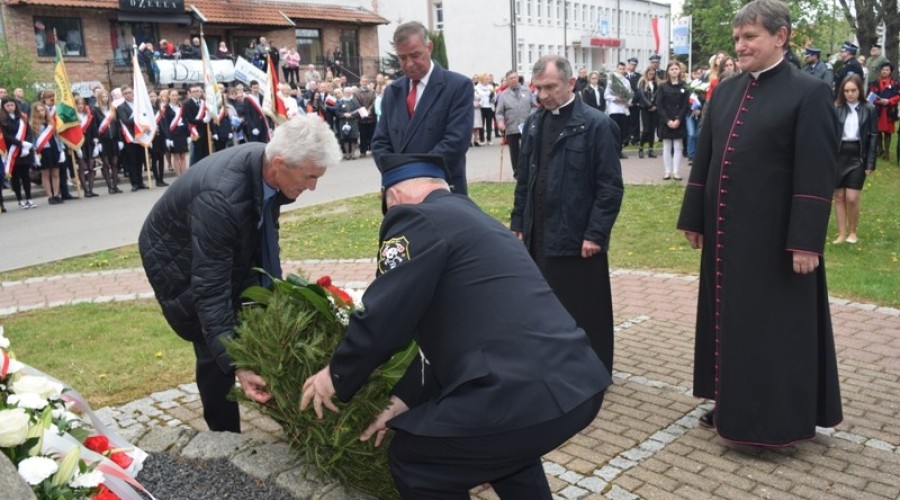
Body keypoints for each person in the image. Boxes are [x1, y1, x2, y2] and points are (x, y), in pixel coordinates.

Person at [298, 152, 611, 498]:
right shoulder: (478, 221)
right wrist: (403, 398)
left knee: (416, 460)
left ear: (394, 197)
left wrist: (336, 375)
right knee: (503, 452)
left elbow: (385, 315)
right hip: (575, 383)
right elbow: (453, 329)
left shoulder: (413, 219)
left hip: (517, 392)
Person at [676, 0, 843, 446]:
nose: (740, 46)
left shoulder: (808, 93)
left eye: (749, 37)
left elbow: (817, 170)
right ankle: (730, 401)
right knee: (728, 322)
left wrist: (806, 240)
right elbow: (705, 160)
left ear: (780, 37)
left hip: (775, 239)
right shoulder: (726, 90)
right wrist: (693, 217)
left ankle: (774, 420)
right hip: (726, 236)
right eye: (737, 38)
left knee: (772, 329)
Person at [139, 115, 340, 433]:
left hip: (214, 241)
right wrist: (238, 363)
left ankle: (280, 408)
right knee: (210, 340)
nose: (313, 187)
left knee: (254, 315)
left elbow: (259, 235)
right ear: (279, 165)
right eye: (309, 177)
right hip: (176, 257)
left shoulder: (268, 169)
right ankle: (224, 434)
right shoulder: (221, 199)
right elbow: (210, 291)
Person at [511, 54, 624, 372]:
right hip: (539, 233)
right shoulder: (534, 122)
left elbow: (609, 187)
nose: (543, 95)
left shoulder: (597, 124)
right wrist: (518, 221)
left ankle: (594, 367)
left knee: (586, 306)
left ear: (571, 83)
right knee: (543, 303)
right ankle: (550, 362)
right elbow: (525, 179)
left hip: (579, 236)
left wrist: (595, 233)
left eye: (550, 87)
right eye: (538, 88)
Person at [372, 21, 473, 195]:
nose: (409, 63)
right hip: (400, 190)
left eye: (415, 55)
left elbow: (455, 142)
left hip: (441, 188)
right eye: (402, 58)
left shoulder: (457, 86)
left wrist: (415, 177)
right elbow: (380, 142)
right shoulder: (392, 91)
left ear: (429, 48)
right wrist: (397, 177)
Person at [833, 74, 877, 244]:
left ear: (860, 90)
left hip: (858, 155)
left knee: (852, 197)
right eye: (846, 91)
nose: (849, 94)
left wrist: (870, 162)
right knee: (839, 196)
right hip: (839, 154)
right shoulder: (836, 108)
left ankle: (853, 231)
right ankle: (841, 233)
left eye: (853, 90)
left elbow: (874, 136)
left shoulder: (869, 108)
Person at [495, 69, 535, 178]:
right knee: (514, 151)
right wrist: (500, 122)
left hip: (526, 125)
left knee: (528, 148)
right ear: (507, 81)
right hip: (511, 126)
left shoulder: (527, 91)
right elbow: (499, 112)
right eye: (510, 78)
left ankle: (529, 170)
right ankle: (517, 173)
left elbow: (534, 106)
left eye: (515, 77)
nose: (513, 80)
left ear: (518, 78)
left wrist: (531, 117)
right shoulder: (503, 95)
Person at [1, 97, 37, 208]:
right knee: (15, 177)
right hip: (13, 151)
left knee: (26, 176)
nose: (10, 107)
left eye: (12, 105)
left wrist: (27, 144)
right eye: (8, 106)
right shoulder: (2, 119)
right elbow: (6, 136)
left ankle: (29, 198)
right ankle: (20, 200)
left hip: (24, 151)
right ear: (3, 107)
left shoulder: (22, 117)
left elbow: (29, 131)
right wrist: (20, 144)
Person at [656, 61, 690, 180]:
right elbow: (659, 105)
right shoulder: (662, 86)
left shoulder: (684, 86)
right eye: (672, 69)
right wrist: (667, 120)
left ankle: (676, 171)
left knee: (678, 146)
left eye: (676, 69)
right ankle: (667, 171)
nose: (674, 71)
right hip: (666, 120)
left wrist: (678, 119)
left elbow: (685, 105)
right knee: (666, 146)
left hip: (679, 120)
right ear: (668, 72)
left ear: (680, 71)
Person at [116, 85, 148, 192]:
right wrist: (139, 119)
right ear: (123, 95)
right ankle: (134, 183)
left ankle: (141, 181)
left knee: (140, 160)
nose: (128, 95)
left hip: (141, 136)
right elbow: (126, 121)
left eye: (130, 92)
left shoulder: (139, 105)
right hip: (130, 136)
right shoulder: (121, 107)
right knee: (132, 161)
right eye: (125, 93)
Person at [868, 61, 900, 161]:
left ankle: (886, 153)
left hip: (889, 110)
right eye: (883, 70)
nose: (884, 71)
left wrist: (889, 101)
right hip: (878, 109)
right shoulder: (875, 82)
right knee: (877, 131)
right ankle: (879, 149)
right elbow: (871, 95)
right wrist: (877, 101)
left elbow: (898, 96)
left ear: (890, 71)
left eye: (887, 70)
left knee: (888, 132)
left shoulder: (895, 83)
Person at [94, 89, 121, 194]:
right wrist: (97, 141)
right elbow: (95, 126)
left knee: (114, 163)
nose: (105, 99)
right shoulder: (95, 110)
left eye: (106, 97)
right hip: (103, 140)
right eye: (103, 97)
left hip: (113, 139)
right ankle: (109, 186)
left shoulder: (113, 109)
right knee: (106, 163)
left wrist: (120, 140)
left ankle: (115, 185)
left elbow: (117, 125)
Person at [604, 62, 631, 159]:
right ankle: (613, 152)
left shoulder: (626, 82)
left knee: (621, 132)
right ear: (616, 69)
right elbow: (606, 95)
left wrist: (627, 100)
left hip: (623, 109)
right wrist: (615, 98)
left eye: (623, 69)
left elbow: (629, 94)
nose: (622, 71)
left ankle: (619, 151)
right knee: (614, 131)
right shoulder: (611, 81)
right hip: (614, 109)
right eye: (620, 69)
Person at [163, 89, 190, 176]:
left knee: (183, 155)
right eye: (173, 95)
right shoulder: (166, 109)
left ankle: (184, 175)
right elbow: (166, 124)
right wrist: (168, 138)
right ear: (169, 96)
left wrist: (188, 134)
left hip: (182, 132)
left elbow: (186, 120)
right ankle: (178, 176)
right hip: (173, 134)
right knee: (176, 156)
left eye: (176, 95)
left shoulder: (181, 107)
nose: (175, 97)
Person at [183, 84, 211, 165]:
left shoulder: (204, 102)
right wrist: (203, 121)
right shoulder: (187, 103)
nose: (197, 93)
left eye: (198, 91)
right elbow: (190, 119)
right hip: (195, 132)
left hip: (205, 131)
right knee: (197, 154)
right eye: (194, 91)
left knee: (206, 153)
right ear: (190, 93)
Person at [637, 66, 659, 159]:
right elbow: (642, 95)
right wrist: (649, 105)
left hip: (654, 109)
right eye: (650, 74)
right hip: (645, 108)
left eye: (653, 74)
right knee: (646, 129)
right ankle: (641, 148)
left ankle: (651, 149)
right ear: (646, 73)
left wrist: (655, 106)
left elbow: (658, 95)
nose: (652, 75)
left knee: (652, 130)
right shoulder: (642, 82)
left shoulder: (656, 83)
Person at [355, 76, 377, 158]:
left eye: (366, 81)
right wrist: (364, 111)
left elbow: (374, 101)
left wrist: (369, 110)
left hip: (371, 117)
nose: (364, 82)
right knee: (363, 135)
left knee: (372, 134)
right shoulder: (356, 92)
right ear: (360, 82)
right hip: (361, 118)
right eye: (363, 81)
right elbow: (356, 103)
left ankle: (372, 150)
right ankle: (363, 151)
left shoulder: (372, 91)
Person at [625, 57, 641, 146]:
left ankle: (636, 139)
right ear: (628, 64)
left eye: (635, 65)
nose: (633, 66)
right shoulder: (623, 75)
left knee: (635, 122)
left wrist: (635, 101)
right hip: (625, 103)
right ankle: (626, 138)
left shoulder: (639, 76)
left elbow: (639, 90)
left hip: (635, 103)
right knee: (626, 122)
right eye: (631, 64)